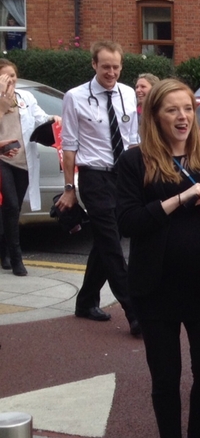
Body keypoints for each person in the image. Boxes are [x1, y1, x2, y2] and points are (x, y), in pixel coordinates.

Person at [116, 78, 200, 438]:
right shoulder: (135, 161)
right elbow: (128, 221)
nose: (182, 117)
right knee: (165, 377)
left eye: (187, 109)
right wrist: (179, 199)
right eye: (171, 110)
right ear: (155, 116)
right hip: (156, 288)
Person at [55, 41, 140, 335]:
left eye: (116, 67)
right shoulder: (74, 97)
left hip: (123, 175)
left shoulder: (127, 93)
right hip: (94, 177)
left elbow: (132, 140)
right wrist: (69, 188)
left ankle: (85, 301)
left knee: (107, 241)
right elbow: (69, 146)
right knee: (113, 245)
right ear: (94, 64)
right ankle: (135, 312)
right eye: (106, 67)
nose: (112, 72)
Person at [0, 59, 61, 276]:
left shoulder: (26, 97)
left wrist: (53, 118)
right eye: (5, 77)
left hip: (23, 161)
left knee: (11, 209)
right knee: (11, 205)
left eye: (13, 76)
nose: (10, 81)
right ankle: (17, 258)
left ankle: (4, 250)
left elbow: (39, 118)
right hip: (2, 160)